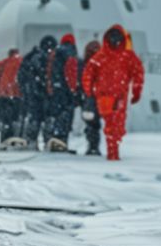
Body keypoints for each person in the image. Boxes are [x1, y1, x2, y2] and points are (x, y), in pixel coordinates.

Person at [81, 25, 144, 161]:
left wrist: (89, 90)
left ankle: (113, 149)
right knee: (114, 124)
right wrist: (136, 91)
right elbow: (138, 73)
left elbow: (88, 74)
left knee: (114, 125)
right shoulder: (127, 56)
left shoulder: (101, 57)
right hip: (113, 96)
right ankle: (113, 152)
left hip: (106, 96)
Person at [42, 33, 80, 150]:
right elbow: (71, 71)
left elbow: (48, 73)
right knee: (65, 116)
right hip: (65, 90)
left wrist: (51, 87)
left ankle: (52, 139)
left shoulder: (55, 53)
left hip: (55, 90)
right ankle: (61, 142)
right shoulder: (70, 52)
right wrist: (73, 89)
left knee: (56, 115)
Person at [20, 36, 56, 148]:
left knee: (34, 118)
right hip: (48, 94)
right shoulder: (52, 58)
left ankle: (31, 141)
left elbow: (22, 77)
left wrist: (27, 90)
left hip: (33, 93)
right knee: (48, 118)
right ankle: (48, 141)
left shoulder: (32, 57)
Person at [0, 48, 25, 141]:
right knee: (16, 117)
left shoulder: (2, 63)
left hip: (2, 93)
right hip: (17, 93)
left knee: (5, 117)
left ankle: (5, 137)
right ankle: (15, 137)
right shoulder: (22, 62)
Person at [79, 40, 102, 155]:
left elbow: (81, 80)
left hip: (88, 98)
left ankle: (92, 145)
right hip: (98, 98)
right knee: (95, 124)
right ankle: (94, 146)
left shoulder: (84, 64)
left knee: (91, 123)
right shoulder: (103, 63)